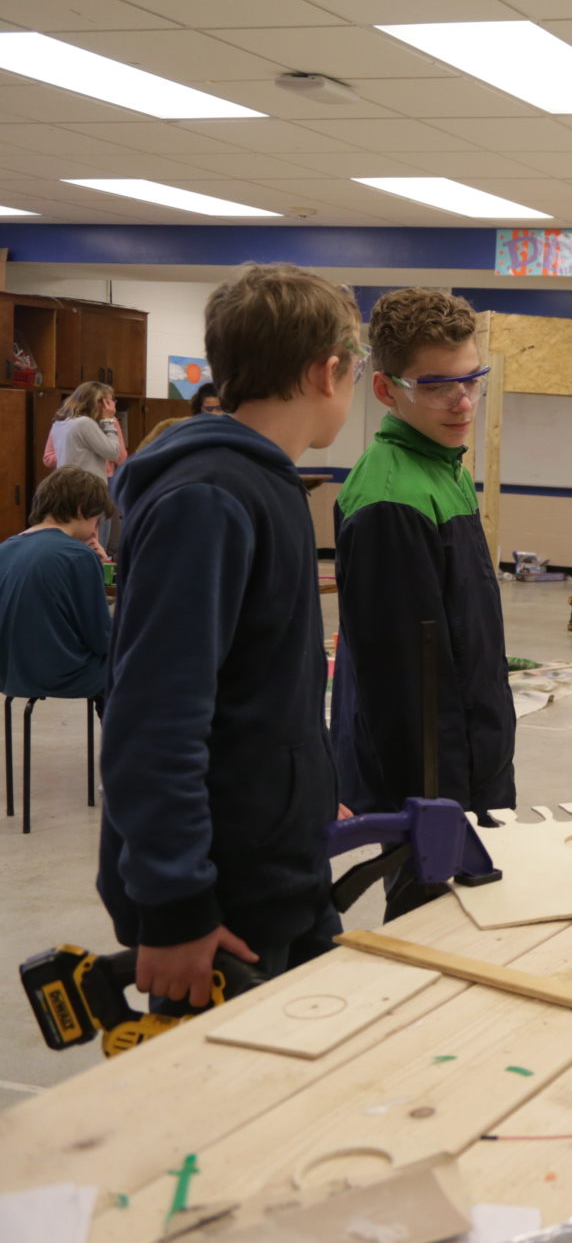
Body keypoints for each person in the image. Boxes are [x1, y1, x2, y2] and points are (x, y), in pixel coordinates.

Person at [97, 263, 361, 1004]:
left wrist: (307, 789)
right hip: (221, 904)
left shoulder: (262, 482)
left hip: (279, 868)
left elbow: (254, 688)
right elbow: (153, 722)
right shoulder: (210, 498)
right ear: (327, 371)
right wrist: (176, 907)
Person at [332, 288, 513, 917]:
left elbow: (461, 637)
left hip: (470, 759)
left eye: (473, 380)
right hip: (431, 784)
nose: (463, 402)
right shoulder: (390, 499)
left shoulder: (442, 465)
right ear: (385, 390)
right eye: (439, 385)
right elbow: (402, 689)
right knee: (428, 936)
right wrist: (440, 807)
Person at [0, 467, 116, 701]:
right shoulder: (77, 555)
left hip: (8, 675)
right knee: (136, 660)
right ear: (83, 509)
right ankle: (124, 736)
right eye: (96, 520)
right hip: (61, 675)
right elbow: (101, 638)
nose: (95, 529)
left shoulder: (6, 548)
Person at [47, 381, 125, 477]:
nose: (112, 407)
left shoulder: (59, 423)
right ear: (97, 403)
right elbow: (114, 453)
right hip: (87, 484)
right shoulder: (85, 423)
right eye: (109, 402)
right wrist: (109, 421)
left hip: (67, 480)